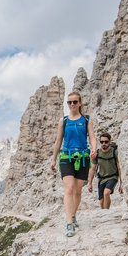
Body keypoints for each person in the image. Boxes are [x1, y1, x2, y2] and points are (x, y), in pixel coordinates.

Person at [50, 91, 97, 237]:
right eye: (69, 102)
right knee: (69, 188)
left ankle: (73, 214)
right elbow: (58, 141)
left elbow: (92, 137)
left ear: (80, 103)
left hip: (83, 157)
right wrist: (53, 158)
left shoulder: (86, 120)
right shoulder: (63, 121)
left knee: (77, 191)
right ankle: (69, 223)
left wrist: (94, 149)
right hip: (66, 157)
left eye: (75, 102)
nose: (72, 105)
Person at [88, 132, 123, 209]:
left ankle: (106, 212)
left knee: (106, 193)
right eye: (102, 142)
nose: (104, 143)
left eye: (106, 142)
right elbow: (93, 168)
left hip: (112, 177)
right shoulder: (97, 153)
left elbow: (120, 168)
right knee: (101, 202)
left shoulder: (115, 152)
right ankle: (104, 212)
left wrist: (121, 183)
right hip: (101, 179)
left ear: (110, 142)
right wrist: (89, 183)